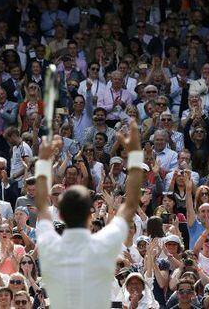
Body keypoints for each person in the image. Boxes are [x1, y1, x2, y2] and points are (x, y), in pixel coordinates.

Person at [35, 120, 143, 308]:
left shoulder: (49, 242)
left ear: (61, 215)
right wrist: (134, 154)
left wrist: (43, 161)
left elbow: (42, 206)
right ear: (90, 215)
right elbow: (132, 203)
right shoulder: (103, 242)